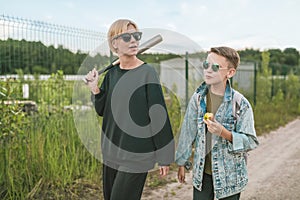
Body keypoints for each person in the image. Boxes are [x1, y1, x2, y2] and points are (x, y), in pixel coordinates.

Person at [85, 19, 174, 200]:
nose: (133, 40)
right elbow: (102, 110)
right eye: (126, 37)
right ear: (114, 43)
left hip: (137, 154)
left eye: (136, 36)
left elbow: (159, 115)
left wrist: (165, 155)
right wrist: (95, 89)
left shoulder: (147, 73)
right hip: (111, 151)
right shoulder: (111, 74)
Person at [175, 46, 259, 200]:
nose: (208, 70)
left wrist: (224, 133)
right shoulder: (198, 99)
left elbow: (251, 142)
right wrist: (182, 162)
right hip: (202, 176)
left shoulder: (240, 104)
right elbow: (188, 131)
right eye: (206, 65)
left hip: (230, 179)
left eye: (215, 67)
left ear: (230, 72)